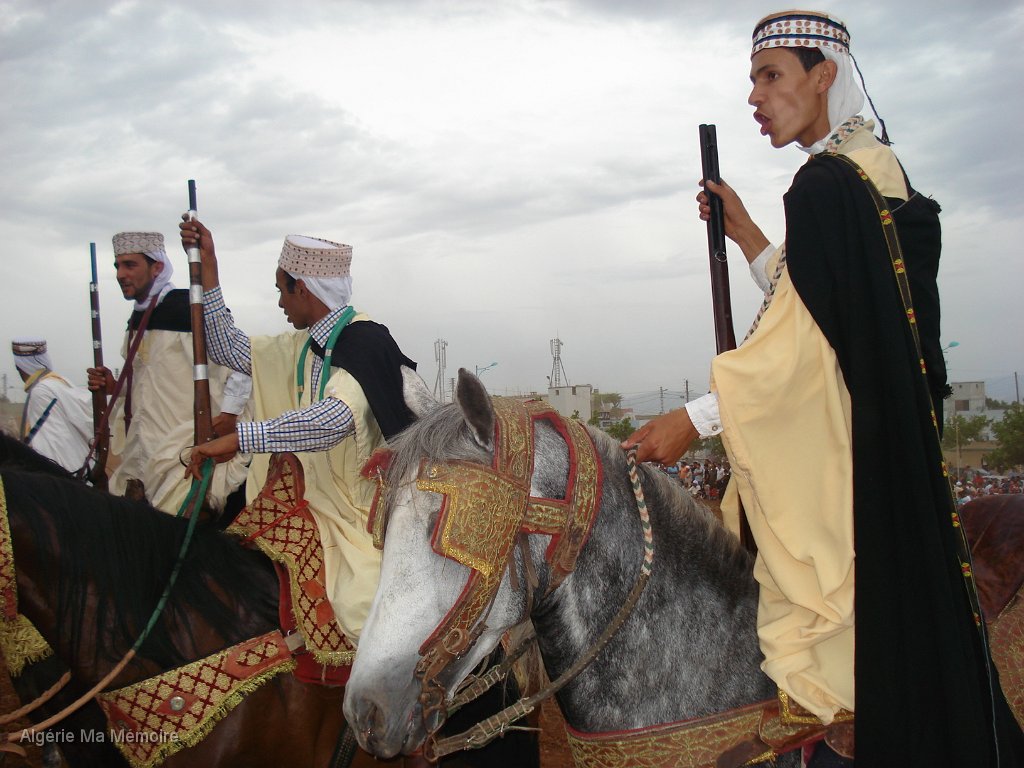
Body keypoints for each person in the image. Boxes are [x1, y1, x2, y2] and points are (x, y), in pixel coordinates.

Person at [624, 10, 1022, 766]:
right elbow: (828, 299)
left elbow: (801, 350)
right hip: (893, 443)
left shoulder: (825, 185)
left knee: (821, 629)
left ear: (823, 75)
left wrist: (695, 419)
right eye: (752, 81)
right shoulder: (875, 171)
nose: (755, 97)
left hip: (849, 450)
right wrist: (746, 232)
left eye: (770, 76)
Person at [179, 219, 416, 645]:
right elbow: (226, 348)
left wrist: (242, 438)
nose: (279, 302)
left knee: (365, 612)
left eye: (281, 291)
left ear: (302, 289)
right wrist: (209, 269)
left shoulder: (364, 342)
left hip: (358, 513)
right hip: (309, 498)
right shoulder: (304, 345)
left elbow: (332, 422)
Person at [87, 231, 252, 514]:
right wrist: (115, 387)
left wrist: (229, 414)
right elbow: (147, 382)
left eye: (130, 265)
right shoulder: (138, 317)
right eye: (117, 266)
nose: (120, 274)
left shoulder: (187, 308)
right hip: (143, 447)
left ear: (157, 267)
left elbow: (242, 363)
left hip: (183, 449)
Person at [11, 338, 93, 473]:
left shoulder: (40, 391)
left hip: (61, 473)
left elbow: (49, 444)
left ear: (20, 367)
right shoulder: (58, 383)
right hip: (82, 466)